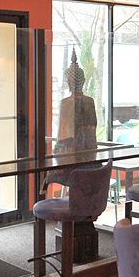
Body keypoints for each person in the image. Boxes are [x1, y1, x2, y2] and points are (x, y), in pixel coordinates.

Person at [43, 49, 98, 191]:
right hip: (88, 154)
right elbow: (93, 128)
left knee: (49, 177)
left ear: (68, 82)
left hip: (75, 155)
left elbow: (63, 134)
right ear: (83, 81)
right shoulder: (89, 101)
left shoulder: (66, 103)